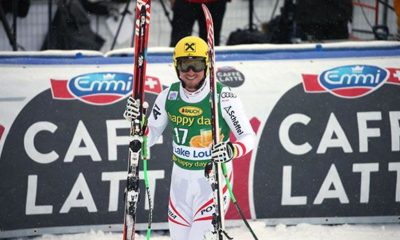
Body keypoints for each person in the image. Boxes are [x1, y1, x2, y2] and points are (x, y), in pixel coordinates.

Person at [123, 36, 255, 240]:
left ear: (207, 65)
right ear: (177, 66)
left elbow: (248, 136)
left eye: (197, 64)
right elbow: (148, 139)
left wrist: (231, 150)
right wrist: (138, 125)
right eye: (185, 65)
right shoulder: (168, 96)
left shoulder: (223, 97)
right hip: (180, 182)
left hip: (212, 180)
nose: (191, 72)